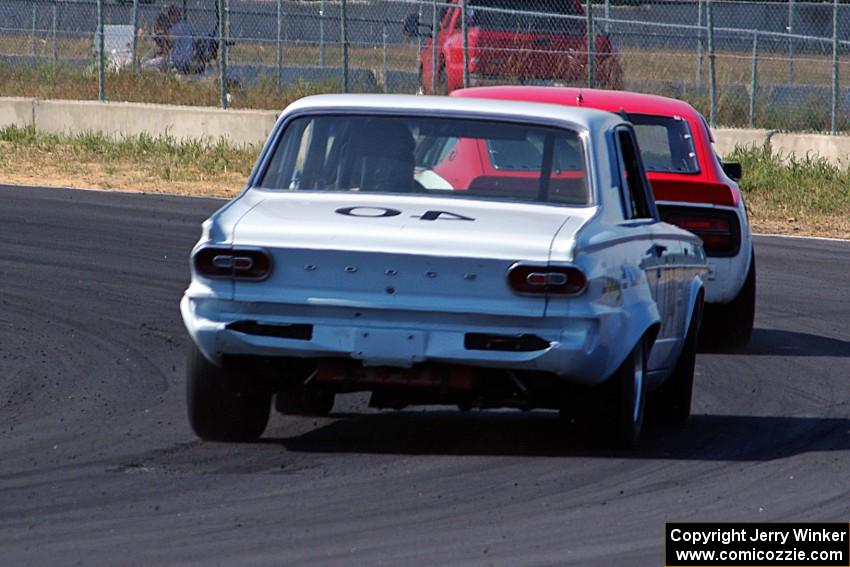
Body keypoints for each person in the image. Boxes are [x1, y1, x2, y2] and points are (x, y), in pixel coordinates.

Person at [166, 6, 196, 74]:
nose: (170, 18)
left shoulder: (179, 26)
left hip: (178, 61)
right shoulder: (185, 25)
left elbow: (167, 38)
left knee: (161, 60)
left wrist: (159, 31)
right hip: (186, 60)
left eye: (172, 15)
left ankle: (145, 63)